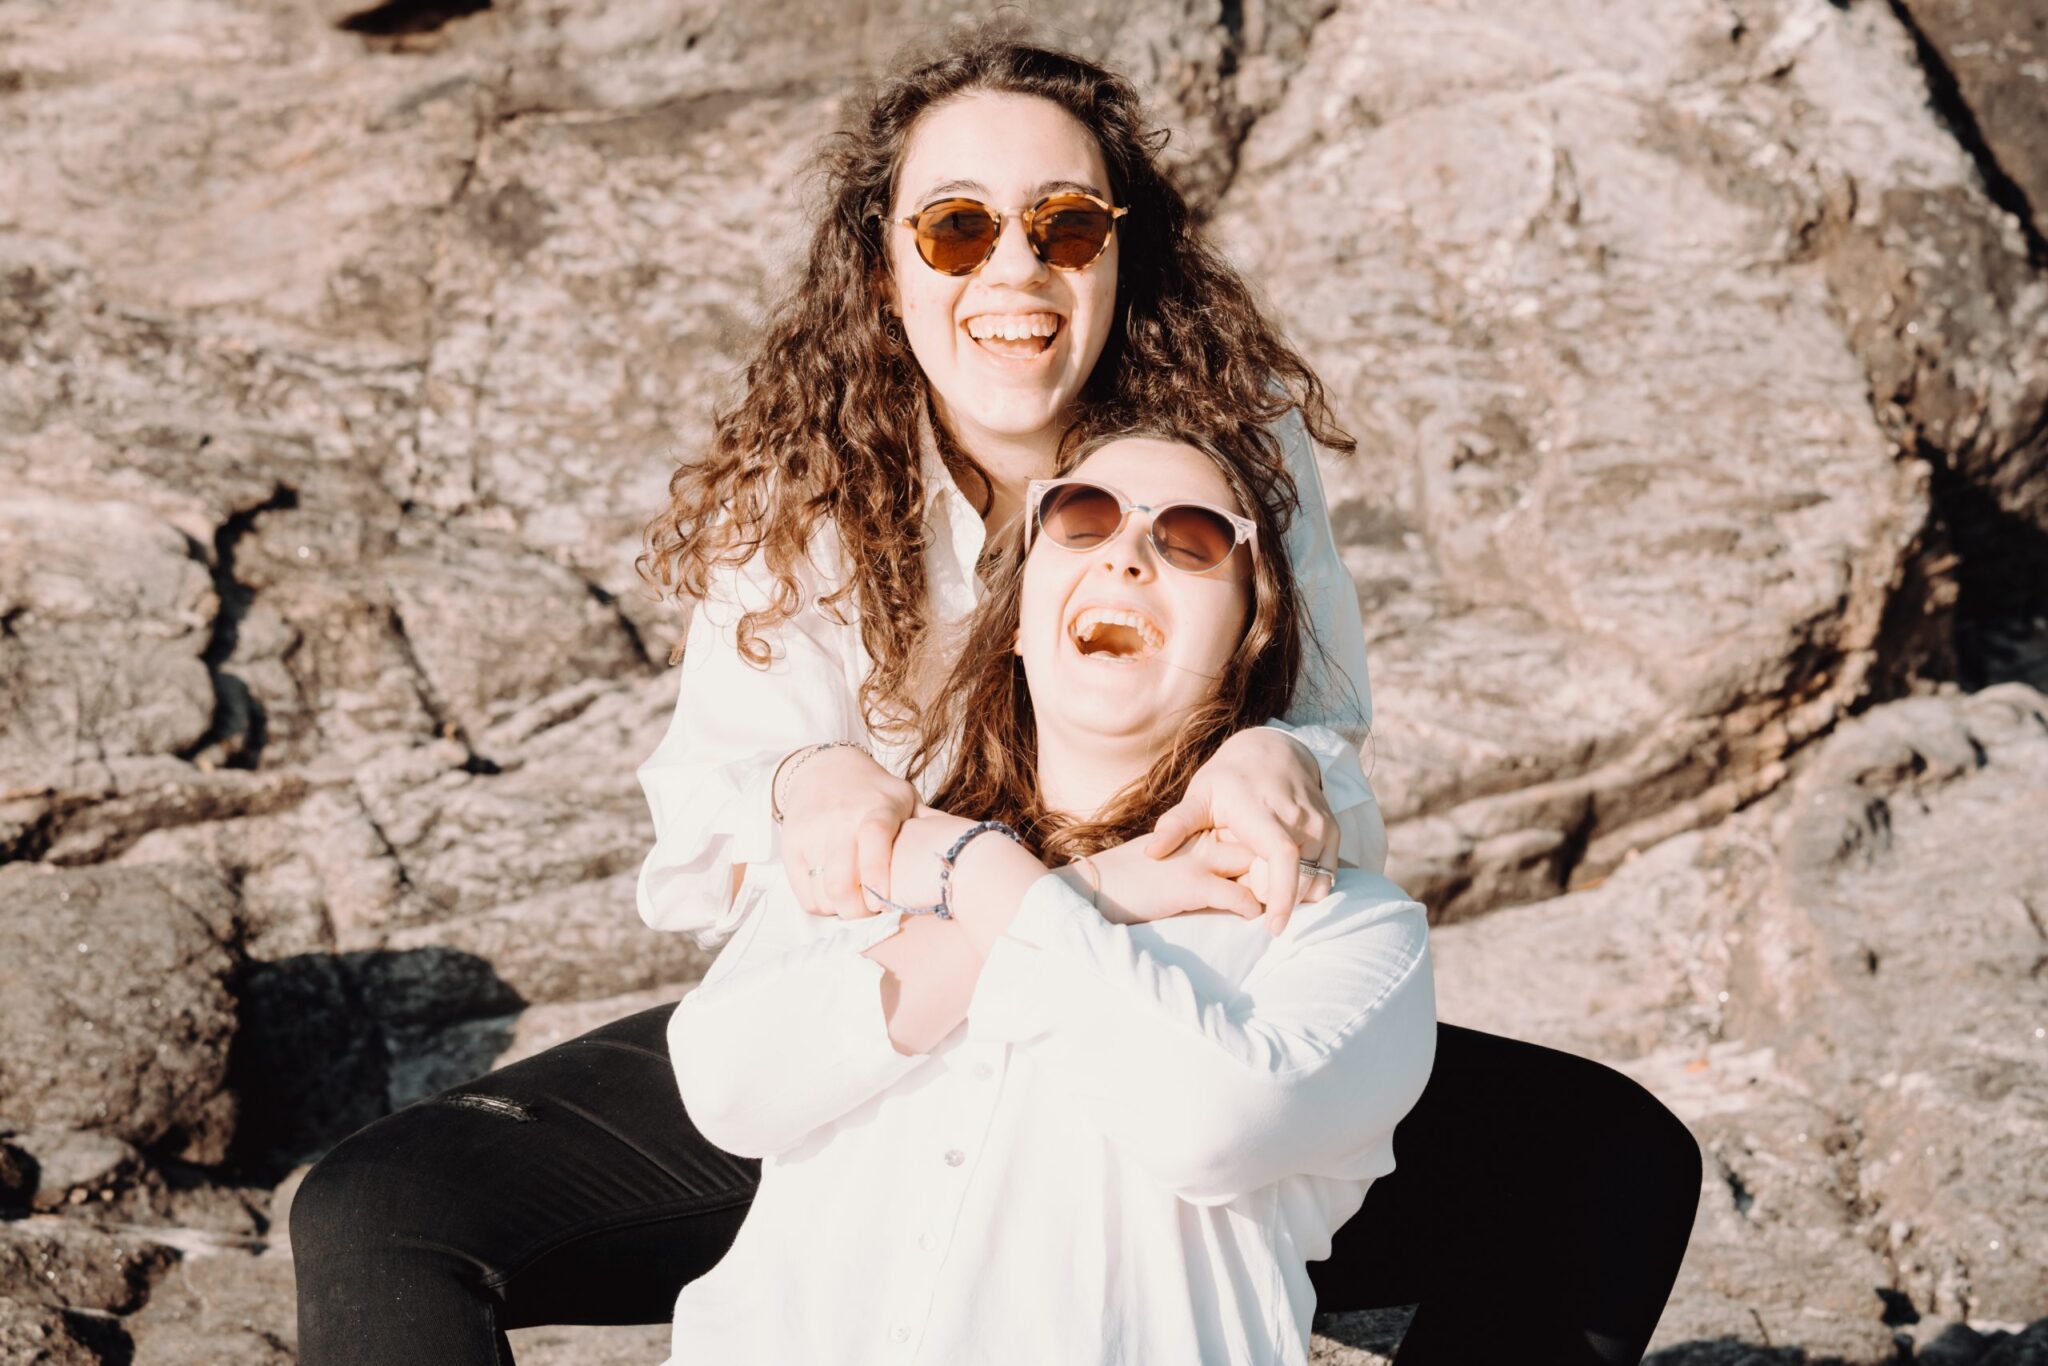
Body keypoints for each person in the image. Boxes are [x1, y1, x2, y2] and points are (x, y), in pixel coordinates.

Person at [290, 27, 1701, 1366]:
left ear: (1118, 253)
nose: (1013, 267)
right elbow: (718, 825)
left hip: (1148, 1001)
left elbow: (1316, 727)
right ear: (886, 263)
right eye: (958, 227)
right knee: (381, 1207)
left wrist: (1282, 755)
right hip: (886, 1013)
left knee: (1605, 1157)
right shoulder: (798, 493)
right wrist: (807, 785)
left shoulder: (1237, 455)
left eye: (1066, 224)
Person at [664, 427, 1435, 1365]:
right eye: (1082, 518)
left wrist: (979, 878)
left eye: (1191, 538)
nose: (1127, 552)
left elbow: (1219, 1123)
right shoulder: (878, 842)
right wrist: (1089, 888)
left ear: (1246, 643)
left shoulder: (1341, 924)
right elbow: (727, 1084)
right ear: (1020, 625)